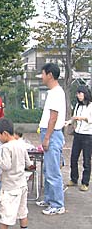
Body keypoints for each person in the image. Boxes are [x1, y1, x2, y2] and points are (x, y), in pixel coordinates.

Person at [0, 118, 33, 229]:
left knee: (6, 216)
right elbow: (28, 163)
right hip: (22, 185)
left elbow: (6, 165)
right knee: (23, 212)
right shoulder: (21, 144)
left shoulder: (6, 147)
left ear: (5, 134)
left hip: (10, 187)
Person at [36, 63, 66, 215]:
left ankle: (57, 204)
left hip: (52, 134)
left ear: (50, 75)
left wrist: (47, 137)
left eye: (42, 74)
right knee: (48, 169)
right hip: (49, 133)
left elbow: (53, 118)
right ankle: (49, 199)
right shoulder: (53, 92)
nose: (41, 77)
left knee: (53, 170)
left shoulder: (56, 93)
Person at [66, 85, 92, 191]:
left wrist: (82, 118)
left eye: (80, 93)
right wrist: (69, 122)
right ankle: (74, 178)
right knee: (73, 158)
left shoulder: (90, 106)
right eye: (77, 94)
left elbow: (90, 119)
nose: (78, 96)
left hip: (88, 135)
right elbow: (74, 118)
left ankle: (85, 182)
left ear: (85, 94)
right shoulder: (77, 105)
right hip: (78, 134)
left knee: (86, 159)